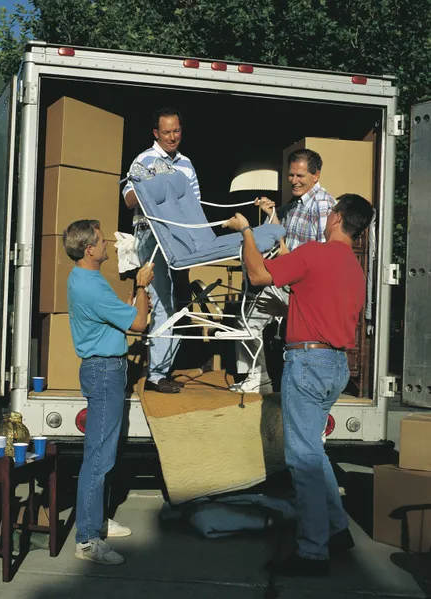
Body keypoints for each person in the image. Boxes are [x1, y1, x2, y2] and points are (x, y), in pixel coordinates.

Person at [223, 193, 374, 576]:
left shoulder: (314, 253)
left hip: (307, 362)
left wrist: (247, 234)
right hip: (336, 364)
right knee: (314, 453)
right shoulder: (356, 269)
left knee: (302, 459)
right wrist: (292, 309)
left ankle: (312, 551)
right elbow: (326, 308)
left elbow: (258, 275)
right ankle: (337, 530)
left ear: (336, 218)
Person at [63, 219, 154, 565]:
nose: (108, 246)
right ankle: (87, 540)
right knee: (99, 457)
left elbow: (117, 318)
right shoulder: (92, 287)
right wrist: (142, 286)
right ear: (89, 250)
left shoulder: (83, 277)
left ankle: (97, 519)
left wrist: (131, 305)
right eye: (101, 242)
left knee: (103, 452)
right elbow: (140, 324)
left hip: (102, 369)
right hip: (104, 371)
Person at [230, 149, 336, 394]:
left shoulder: (321, 204)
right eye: (291, 175)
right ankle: (259, 378)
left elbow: (324, 252)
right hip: (289, 280)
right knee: (247, 317)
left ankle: (265, 379)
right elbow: (282, 238)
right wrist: (273, 214)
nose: (294, 181)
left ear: (316, 175)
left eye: (300, 175)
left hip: (305, 287)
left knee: (250, 318)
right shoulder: (296, 204)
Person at [122, 107, 200, 394]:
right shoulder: (144, 160)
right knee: (162, 303)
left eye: (176, 131)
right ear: (156, 133)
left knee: (180, 304)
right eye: (166, 132)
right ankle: (155, 376)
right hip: (152, 237)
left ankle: (162, 369)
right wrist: (154, 189)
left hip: (179, 238)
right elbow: (129, 198)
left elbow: (194, 204)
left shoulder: (187, 164)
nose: (172, 137)